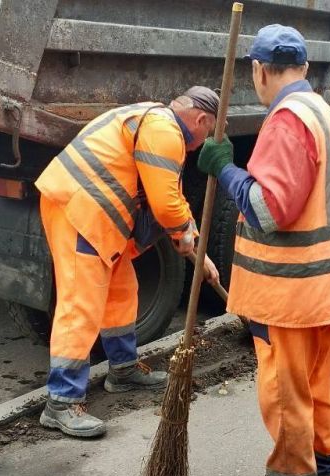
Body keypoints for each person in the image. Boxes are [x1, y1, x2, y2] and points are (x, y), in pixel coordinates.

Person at [197, 24, 330, 476]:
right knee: (317, 386)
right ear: (304, 68)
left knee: (283, 392)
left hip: (290, 293)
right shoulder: (327, 117)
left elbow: (268, 209)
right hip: (328, 286)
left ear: (258, 70)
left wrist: (224, 170)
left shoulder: (286, 121)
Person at [34, 87, 221, 438]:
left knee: (121, 291)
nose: (202, 141)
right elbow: (166, 207)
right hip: (79, 211)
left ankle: (122, 370)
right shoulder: (165, 132)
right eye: (207, 131)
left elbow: (170, 196)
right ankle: (60, 403)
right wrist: (182, 233)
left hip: (99, 218)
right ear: (200, 120)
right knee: (81, 304)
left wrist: (198, 248)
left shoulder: (158, 124)